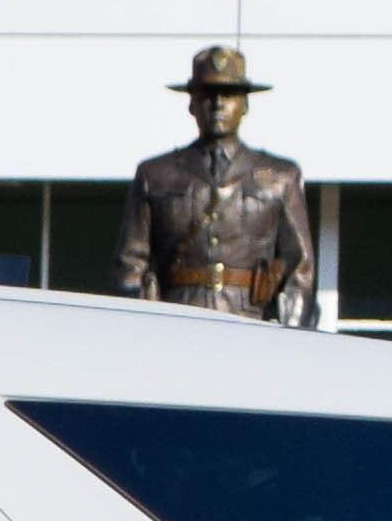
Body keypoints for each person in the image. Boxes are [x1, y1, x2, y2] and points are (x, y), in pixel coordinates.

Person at [115, 45, 316, 325]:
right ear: (191, 104)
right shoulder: (156, 174)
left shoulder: (281, 176)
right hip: (175, 320)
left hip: (252, 322)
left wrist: (291, 335)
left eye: (230, 94)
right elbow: (131, 265)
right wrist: (140, 327)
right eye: (207, 95)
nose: (218, 103)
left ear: (245, 104)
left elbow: (300, 269)